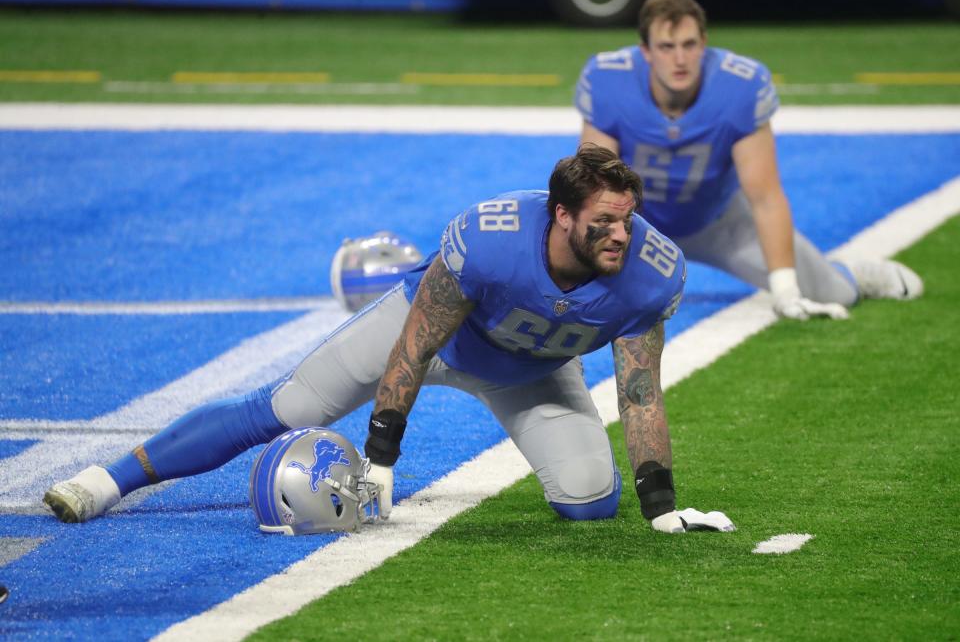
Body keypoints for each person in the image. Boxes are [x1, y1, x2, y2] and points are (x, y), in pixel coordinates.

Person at [43, 146, 732, 534]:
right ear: (560, 214)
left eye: (628, 221)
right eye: (605, 222)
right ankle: (105, 481)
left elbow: (640, 392)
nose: (623, 235)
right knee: (280, 409)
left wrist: (662, 502)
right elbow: (412, 347)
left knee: (589, 501)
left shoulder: (649, 272)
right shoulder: (490, 240)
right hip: (430, 335)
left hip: (533, 372)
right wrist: (380, 451)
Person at [575, 0, 923, 321]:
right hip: (636, 224)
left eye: (688, 45)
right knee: (576, 296)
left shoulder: (738, 86)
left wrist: (785, 290)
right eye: (667, 47)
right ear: (646, 52)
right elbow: (594, 188)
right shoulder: (610, 80)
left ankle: (853, 274)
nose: (679, 58)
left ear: (704, 44)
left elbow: (765, 197)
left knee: (832, 292)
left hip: (719, 221)